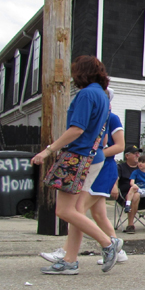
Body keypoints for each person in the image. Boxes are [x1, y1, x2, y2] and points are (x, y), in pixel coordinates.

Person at [33, 55, 122, 273]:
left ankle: (108, 242)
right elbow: (102, 139)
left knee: (64, 211)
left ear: (80, 72)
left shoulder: (86, 94)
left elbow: (77, 129)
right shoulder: (102, 96)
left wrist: (48, 151)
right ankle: (70, 260)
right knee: (76, 211)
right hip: (94, 157)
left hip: (77, 156)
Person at [39, 103, 129, 267]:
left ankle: (68, 252)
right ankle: (118, 250)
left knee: (76, 210)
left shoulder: (112, 118)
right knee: (98, 214)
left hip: (102, 169)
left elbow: (119, 146)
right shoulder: (97, 118)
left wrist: (93, 154)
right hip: (95, 167)